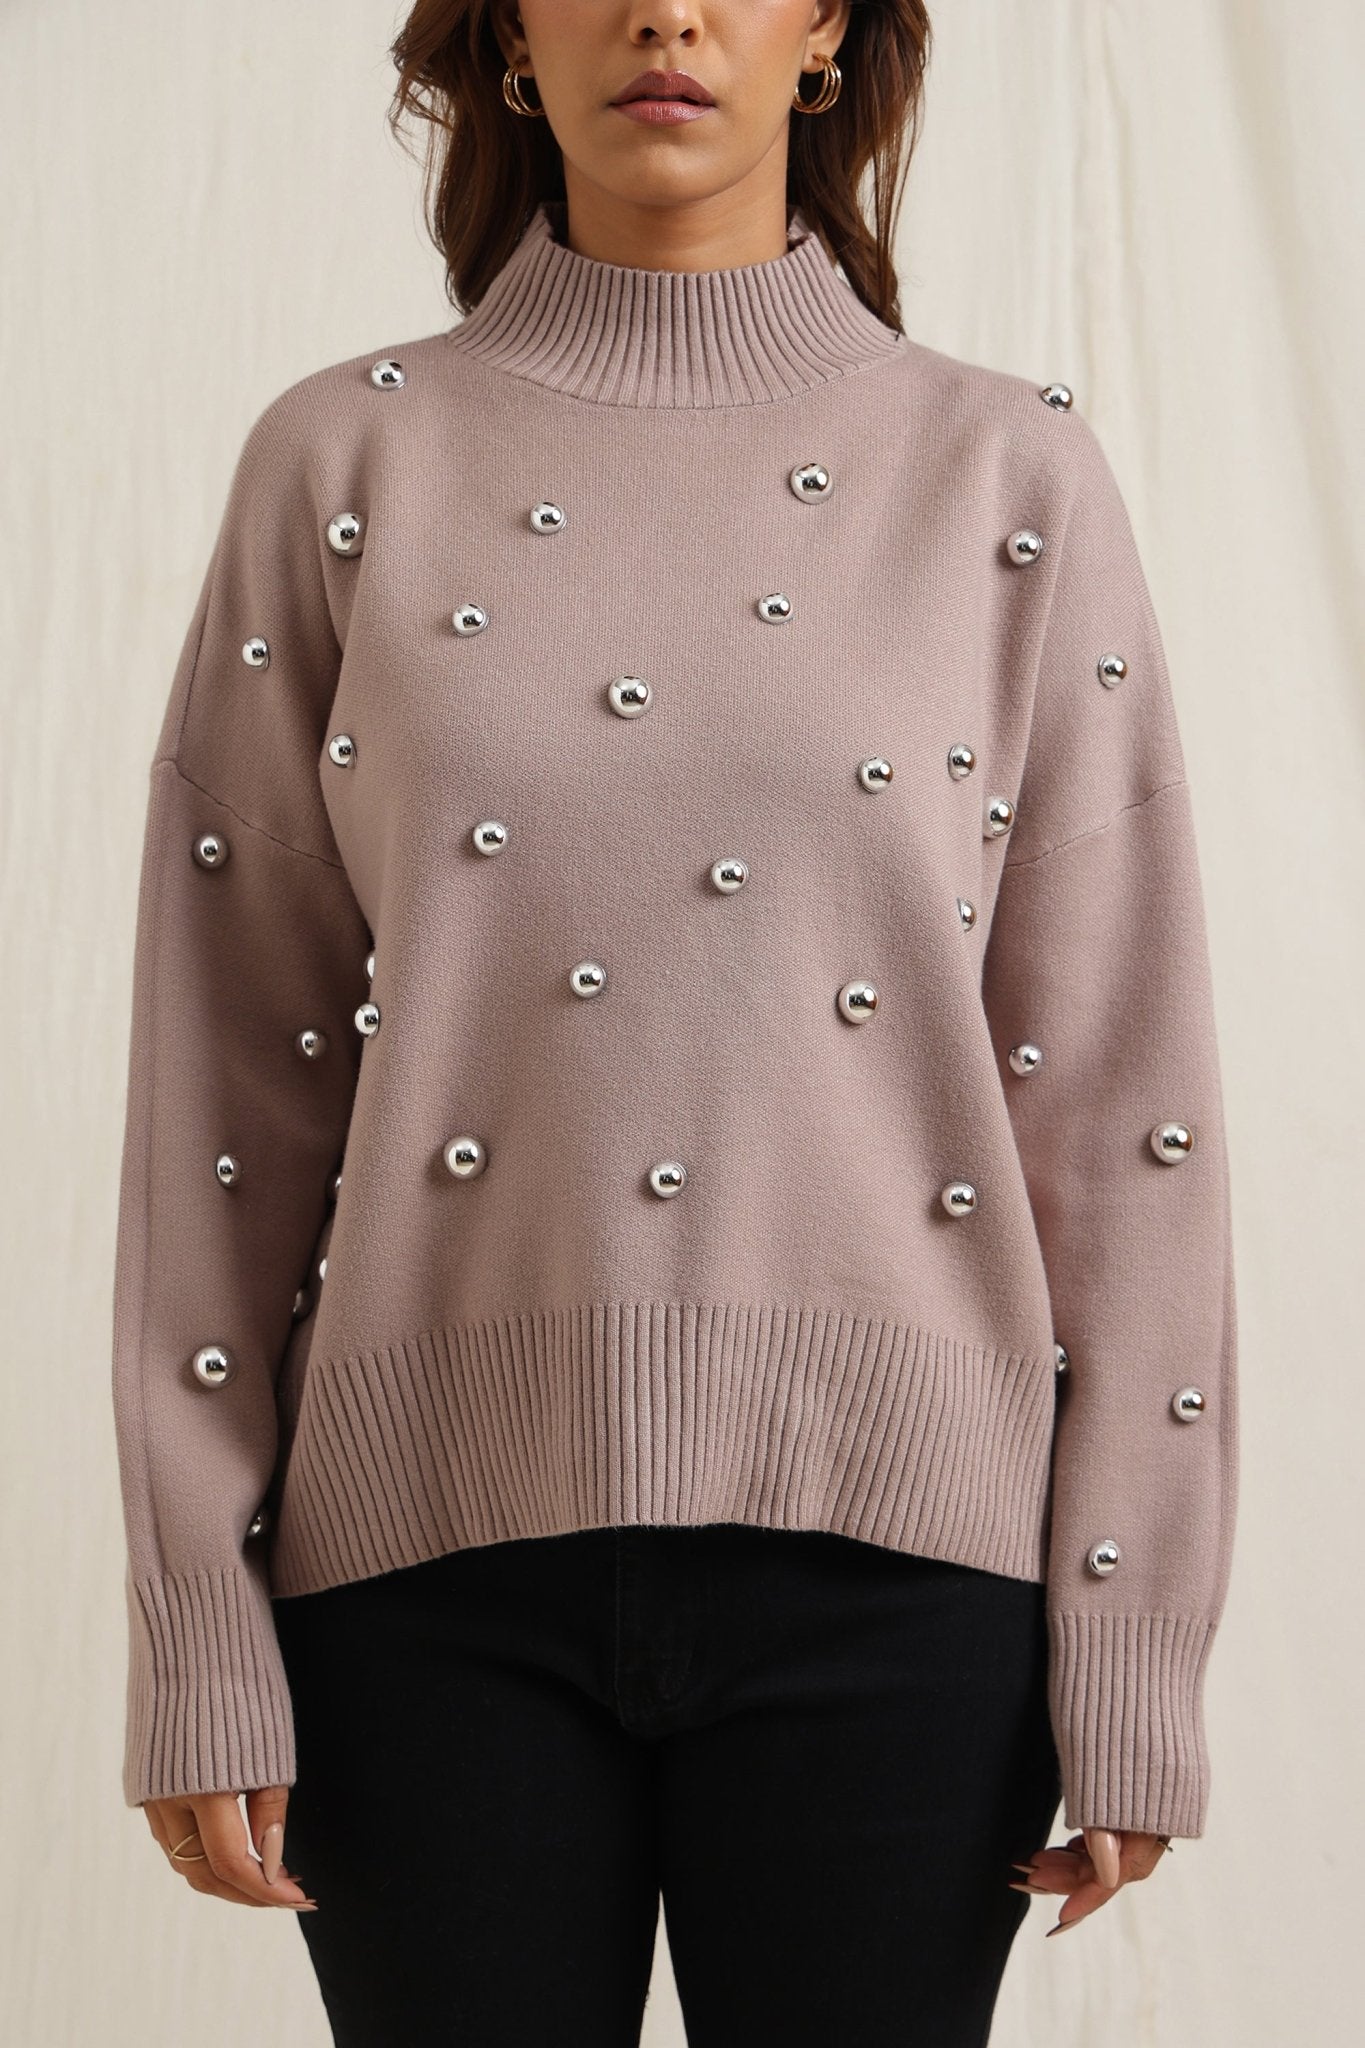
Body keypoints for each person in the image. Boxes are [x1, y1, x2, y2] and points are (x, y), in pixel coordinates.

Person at [109, 3, 1239, 2042]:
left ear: (826, 36)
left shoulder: (1006, 473)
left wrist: (1134, 1635)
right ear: (503, 39)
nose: (664, 12)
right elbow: (227, 1088)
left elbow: (1113, 1102)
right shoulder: (341, 460)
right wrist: (197, 1617)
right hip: (416, 1588)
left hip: (907, 1591)